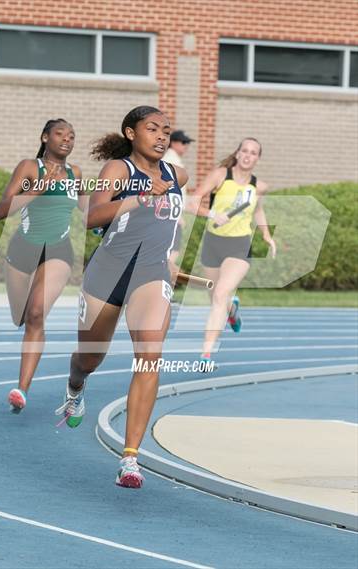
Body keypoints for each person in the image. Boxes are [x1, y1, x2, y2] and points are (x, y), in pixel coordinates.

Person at [55, 105, 187, 488]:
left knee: (150, 355)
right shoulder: (117, 170)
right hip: (110, 271)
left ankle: (131, 457)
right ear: (131, 133)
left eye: (166, 130)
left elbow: (172, 221)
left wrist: (172, 256)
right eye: (152, 129)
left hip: (151, 273)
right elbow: (93, 217)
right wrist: (143, 195)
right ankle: (76, 383)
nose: (162, 136)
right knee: (90, 357)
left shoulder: (178, 174)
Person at [0, 119, 83, 413]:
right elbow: (2, 210)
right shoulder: (30, 168)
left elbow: (90, 212)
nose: (66, 139)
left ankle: (22, 389)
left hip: (58, 250)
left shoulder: (75, 173)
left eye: (71, 136)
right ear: (45, 137)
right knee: (19, 316)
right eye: (60, 133)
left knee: (35, 315)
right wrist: (36, 190)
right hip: (23, 249)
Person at [189, 137, 276, 363]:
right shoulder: (220, 175)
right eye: (244, 151)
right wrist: (211, 214)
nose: (248, 155)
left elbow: (257, 210)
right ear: (237, 154)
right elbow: (192, 202)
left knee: (220, 293)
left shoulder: (260, 186)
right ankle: (231, 310)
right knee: (217, 298)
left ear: (258, 158)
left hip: (239, 245)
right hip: (212, 243)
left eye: (253, 152)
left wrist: (266, 234)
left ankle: (206, 354)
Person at [162, 130, 194, 271]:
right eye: (183, 142)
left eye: (187, 142)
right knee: (172, 251)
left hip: (170, 212)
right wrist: (177, 214)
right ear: (173, 143)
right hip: (170, 213)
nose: (186, 145)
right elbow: (167, 189)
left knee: (171, 251)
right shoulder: (171, 160)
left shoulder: (172, 159)